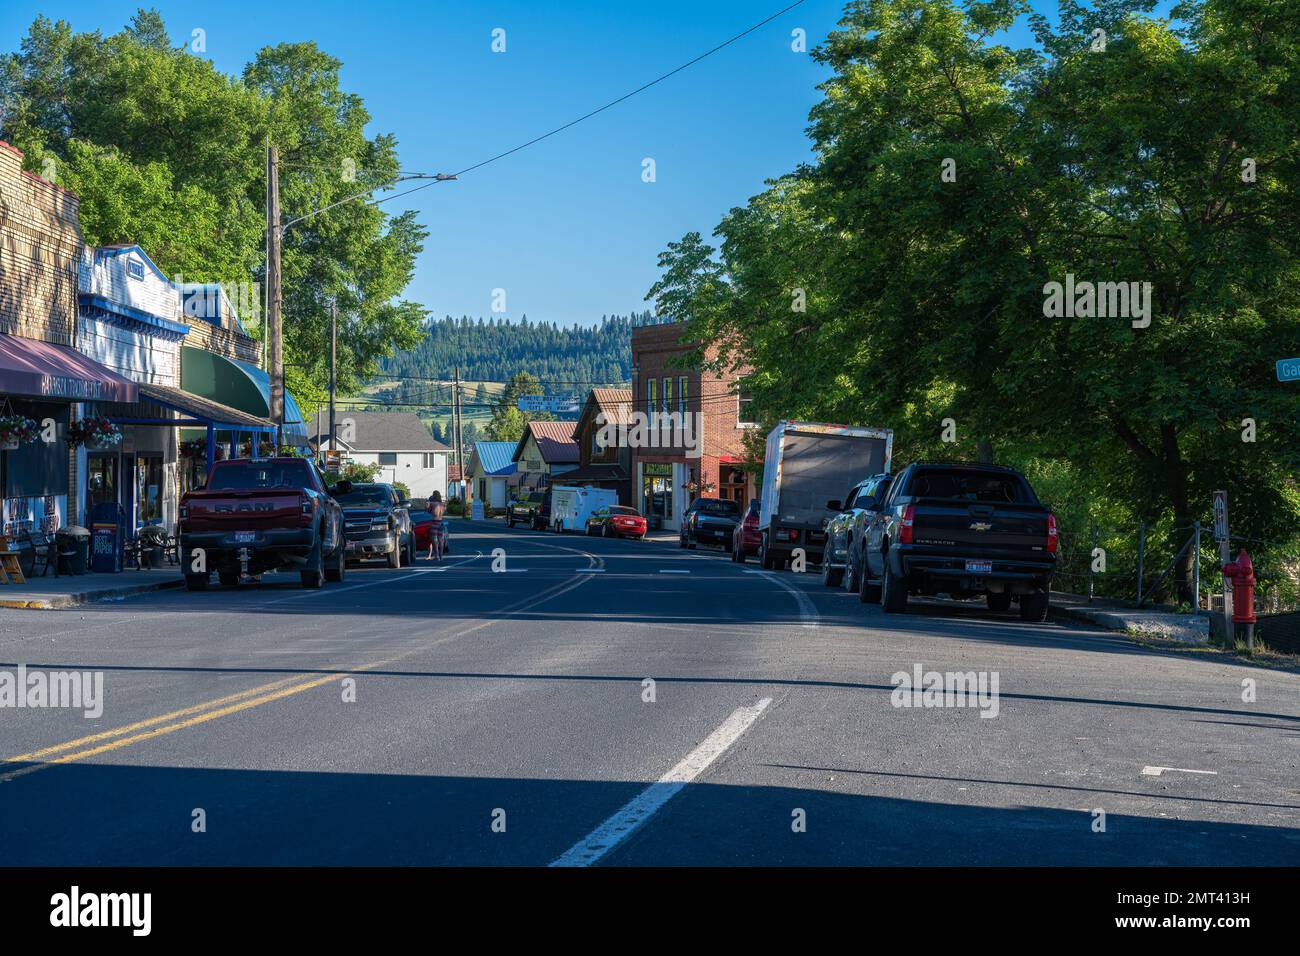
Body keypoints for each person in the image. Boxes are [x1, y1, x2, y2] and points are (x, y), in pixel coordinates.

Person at [427, 490, 446, 562]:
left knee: (434, 540)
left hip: (434, 522)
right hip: (441, 522)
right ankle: (441, 556)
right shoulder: (443, 504)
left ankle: (436, 556)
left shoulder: (432, 504)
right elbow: (445, 511)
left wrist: (428, 504)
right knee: (441, 540)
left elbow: (428, 511)